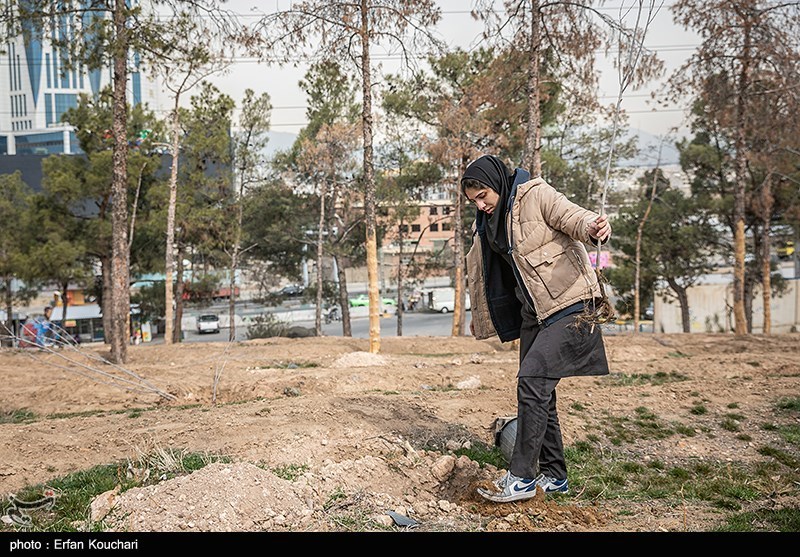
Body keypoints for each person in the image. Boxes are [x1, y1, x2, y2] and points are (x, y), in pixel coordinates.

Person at [462, 154, 612, 503]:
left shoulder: (535, 194)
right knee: (542, 392)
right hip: (535, 314)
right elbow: (488, 274)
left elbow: (572, 216)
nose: (481, 205)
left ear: (497, 182)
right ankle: (555, 475)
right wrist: (479, 313)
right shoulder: (488, 223)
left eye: (484, 195)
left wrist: (593, 227)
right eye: (474, 201)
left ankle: (522, 478)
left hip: (572, 303)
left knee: (531, 382)